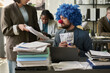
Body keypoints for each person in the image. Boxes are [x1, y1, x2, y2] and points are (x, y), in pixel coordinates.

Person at [0, 0, 41, 73]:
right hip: (15, 48)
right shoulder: (7, 9)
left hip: (30, 47)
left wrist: (40, 35)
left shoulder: (32, 9)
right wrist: (18, 27)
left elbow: (36, 27)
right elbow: (5, 30)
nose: (29, 0)